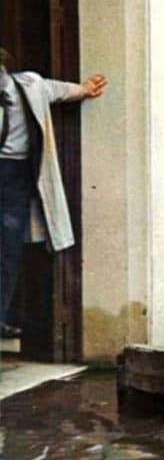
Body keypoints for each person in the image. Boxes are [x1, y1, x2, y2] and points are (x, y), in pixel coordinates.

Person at [0, 47, 107, 339]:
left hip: (15, 174)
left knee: (8, 248)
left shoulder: (29, 85)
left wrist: (84, 90)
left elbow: (56, 90)